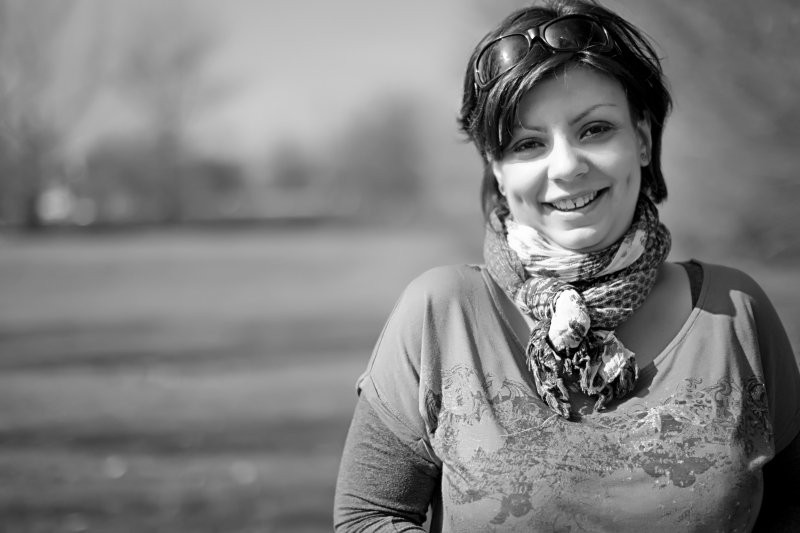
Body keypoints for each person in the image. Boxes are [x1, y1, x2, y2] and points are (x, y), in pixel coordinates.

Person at [334, 0, 800, 530]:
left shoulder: (736, 312)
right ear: (497, 169)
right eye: (528, 144)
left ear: (642, 139)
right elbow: (368, 517)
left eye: (595, 129)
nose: (567, 166)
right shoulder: (443, 314)